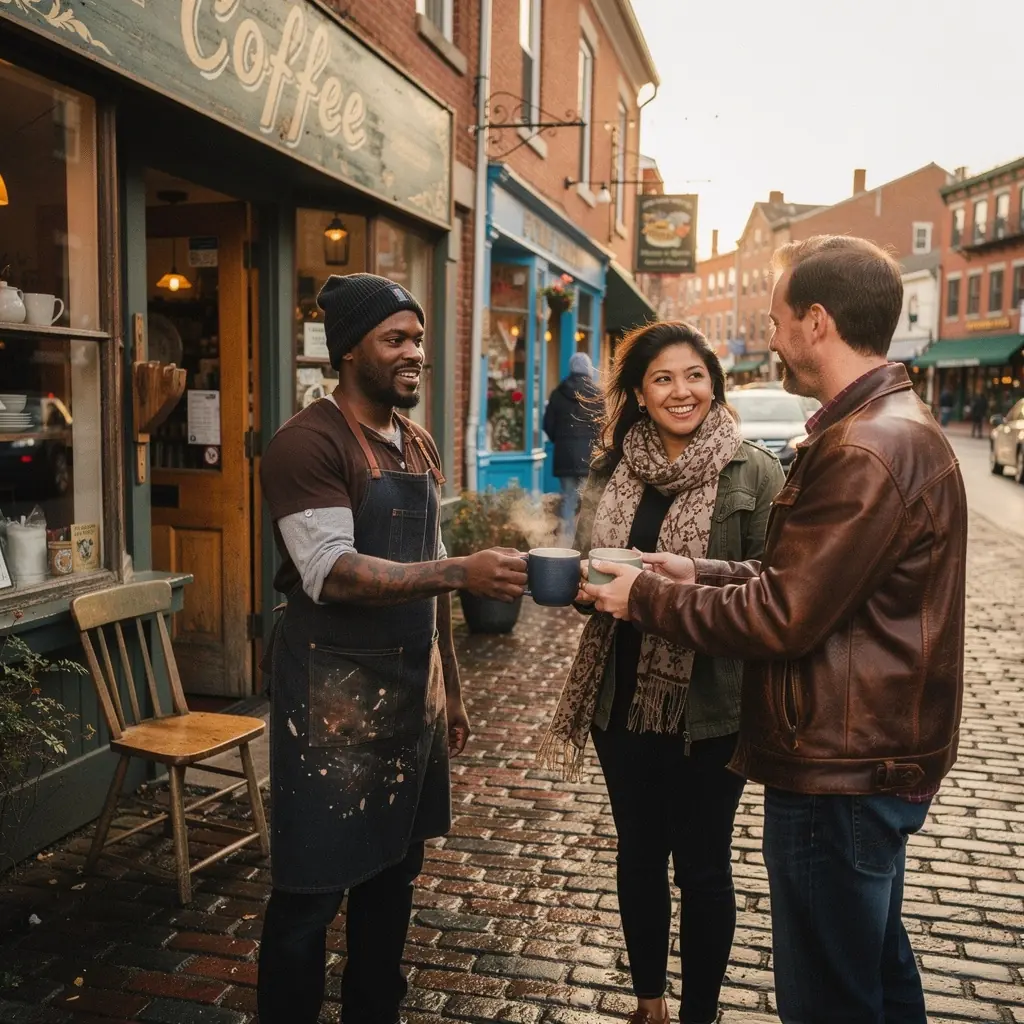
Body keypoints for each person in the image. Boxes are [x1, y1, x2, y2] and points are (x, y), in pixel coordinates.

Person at [583, 236, 967, 1024]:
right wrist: (698, 573)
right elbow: (808, 586)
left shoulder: (864, 445)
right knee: (875, 980)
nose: (772, 336)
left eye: (778, 318)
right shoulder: (884, 427)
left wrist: (646, 601)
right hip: (861, 755)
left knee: (829, 998)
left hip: (841, 766)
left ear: (817, 322)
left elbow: (785, 617)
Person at [256, 273, 528, 1024]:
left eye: (418, 340)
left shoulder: (414, 440)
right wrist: (462, 570)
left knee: (394, 871)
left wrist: (452, 692)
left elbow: (428, 578)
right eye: (396, 340)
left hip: (410, 692)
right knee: (311, 891)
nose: (415, 354)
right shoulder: (304, 443)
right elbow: (330, 572)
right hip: (332, 699)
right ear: (349, 351)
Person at [541, 322, 784, 1024]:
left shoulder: (755, 471)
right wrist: (587, 589)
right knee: (639, 852)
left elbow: (775, 584)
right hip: (620, 696)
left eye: (694, 375)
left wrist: (684, 591)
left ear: (714, 381)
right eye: (663, 379)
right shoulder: (611, 468)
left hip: (713, 703)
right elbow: (593, 557)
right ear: (640, 395)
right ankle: (650, 1001)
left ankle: (699, 1013)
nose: (682, 391)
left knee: (705, 865)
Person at [543, 351, 603, 539]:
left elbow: (547, 424)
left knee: (568, 498)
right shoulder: (597, 395)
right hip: (589, 457)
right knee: (589, 501)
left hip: (565, 455)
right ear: (588, 370)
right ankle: (584, 540)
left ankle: (567, 540)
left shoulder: (558, 393)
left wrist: (560, 441)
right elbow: (604, 427)